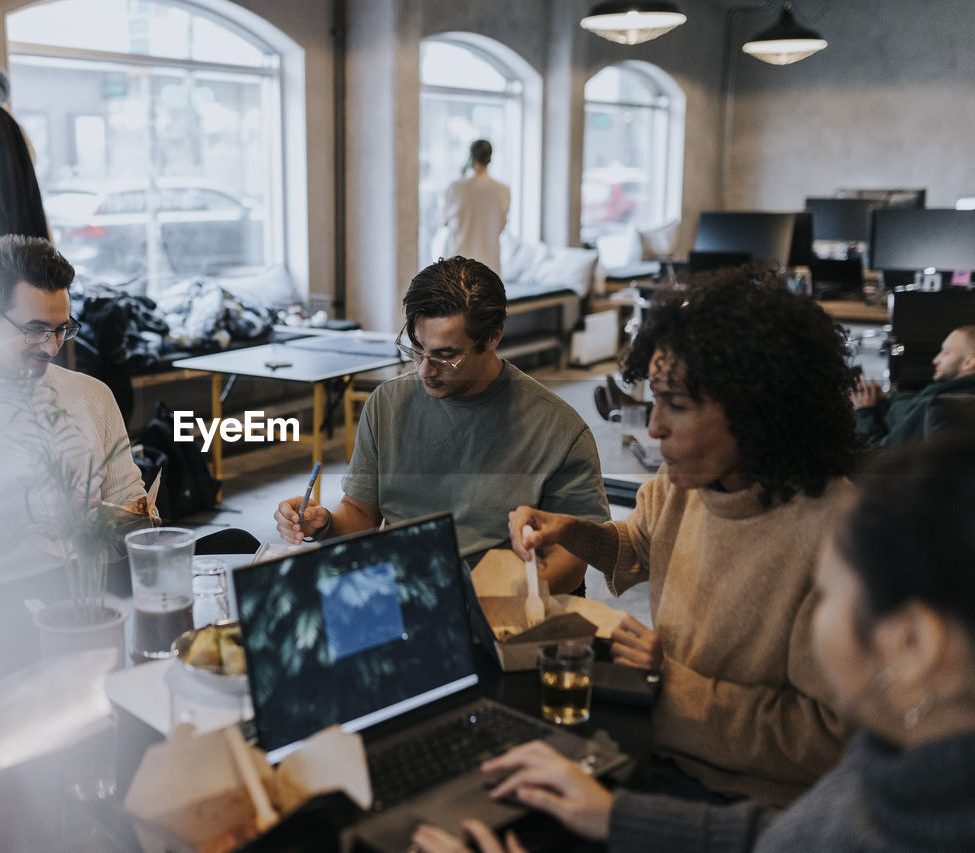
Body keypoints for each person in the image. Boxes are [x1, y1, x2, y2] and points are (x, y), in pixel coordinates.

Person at [417, 436, 975, 853]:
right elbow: (776, 840)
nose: (656, 427)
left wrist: (672, 684)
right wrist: (615, 816)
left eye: (828, 595)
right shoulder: (902, 771)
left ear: (914, 642)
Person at [509, 266, 858, 806]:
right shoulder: (684, 487)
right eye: (654, 402)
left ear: (757, 410)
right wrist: (571, 531)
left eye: (678, 405)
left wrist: (668, 685)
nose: (653, 428)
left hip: (752, 805)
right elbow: (642, 545)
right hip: (661, 750)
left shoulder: (839, 538)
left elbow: (829, 738)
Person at [274, 256, 609, 593]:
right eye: (417, 349)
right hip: (407, 595)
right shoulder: (386, 405)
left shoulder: (559, 430)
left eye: (446, 356)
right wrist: (324, 524)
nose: (424, 371)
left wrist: (489, 598)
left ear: (493, 337)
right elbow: (361, 511)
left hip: (505, 607)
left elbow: (572, 561)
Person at [0, 234, 149, 562]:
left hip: (99, 590)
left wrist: (139, 525)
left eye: (62, 329)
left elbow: (130, 500)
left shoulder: (93, 395)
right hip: (0, 601)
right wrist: (17, 514)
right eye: (35, 330)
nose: (51, 348)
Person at [851, 324, 975, 445]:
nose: (936, 360)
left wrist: (864, 412)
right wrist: (883, 402)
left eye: (946, 353)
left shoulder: (939, 408)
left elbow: (880, 455)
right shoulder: (949, 395)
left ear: (970, 362)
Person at [441, 140, 511, 276]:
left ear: (471, 157)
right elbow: (501, 225)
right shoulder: (503, 190)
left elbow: (445, 221)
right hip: (489, 266)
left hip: (457, 264)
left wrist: (461, 176)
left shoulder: (456, 187)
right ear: (490, 158)